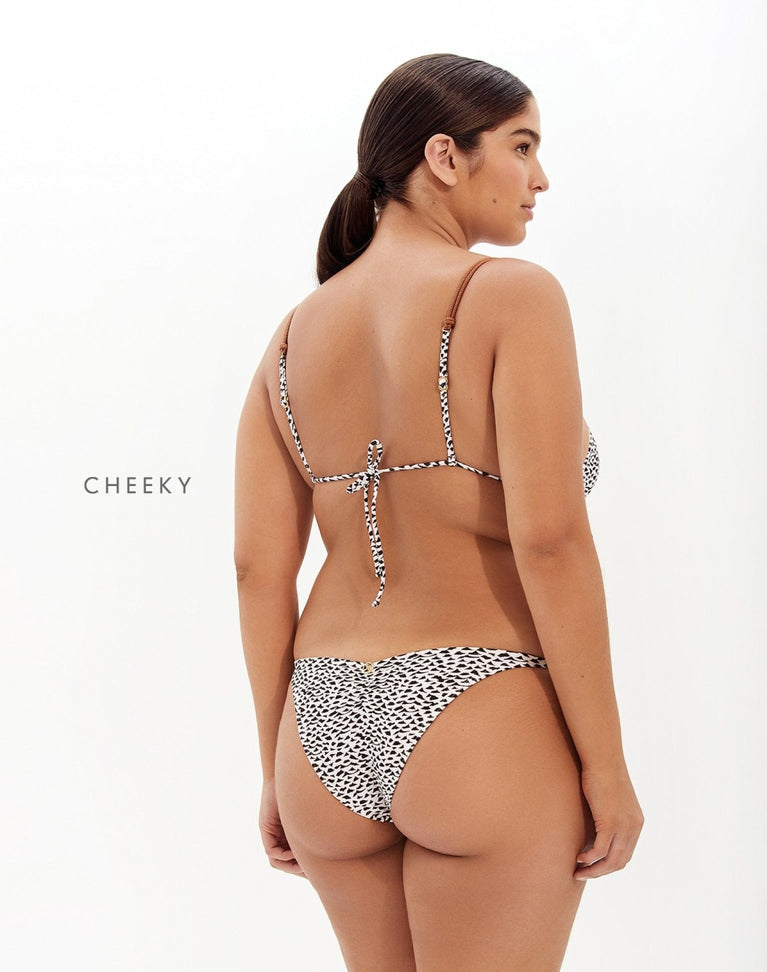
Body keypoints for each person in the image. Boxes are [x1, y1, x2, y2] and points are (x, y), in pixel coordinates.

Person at [234, 53, 643, 971]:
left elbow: (257, 570)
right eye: (521, 147)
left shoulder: (290, 338)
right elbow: (549, 540)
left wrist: (274, 768)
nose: (540, 178)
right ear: (444, 157)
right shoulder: (509, 296)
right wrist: (606, 766)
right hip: (477, 712)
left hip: (321, 724)